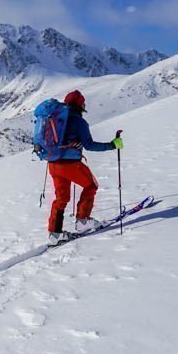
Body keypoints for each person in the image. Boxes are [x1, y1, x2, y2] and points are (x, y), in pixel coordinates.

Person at [47, 90, 123, 245]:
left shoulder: (55, 120)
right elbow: (89, 145)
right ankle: (82, 221)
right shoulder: (78, 122)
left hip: (53, 164)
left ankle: (55, 234)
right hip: (70, 165)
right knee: (91, 185)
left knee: (61, 198)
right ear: (81, 105)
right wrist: (112, 145)